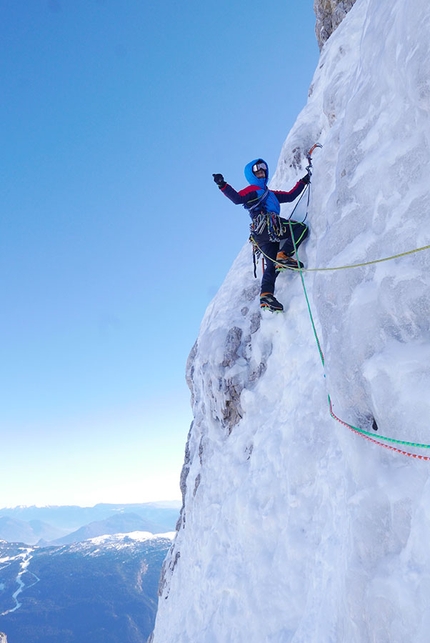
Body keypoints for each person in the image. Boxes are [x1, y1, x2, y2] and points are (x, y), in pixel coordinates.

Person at [213, 158, 310, 312]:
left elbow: (290, 195)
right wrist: (222, 185)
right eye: (257, 171)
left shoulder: (270, 193)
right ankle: (284, 254)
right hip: (270, 226)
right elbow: (237, 198)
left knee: (272, 264)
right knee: (301, 229)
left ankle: (266, 295)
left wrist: (303, 182)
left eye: (262, 170)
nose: (261, 173)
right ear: (251, 175)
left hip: (260, 235)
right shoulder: (254, 190)